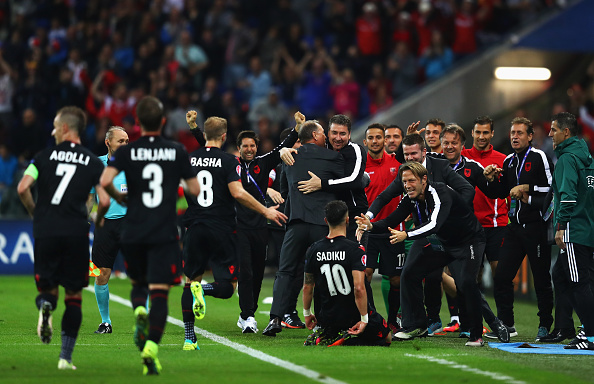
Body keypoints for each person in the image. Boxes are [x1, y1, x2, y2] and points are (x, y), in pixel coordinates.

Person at [99, 96, 200, 375]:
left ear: (138, 123)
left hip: (132, 230)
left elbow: (105, 181)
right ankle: (152, 348)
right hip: (164, 232)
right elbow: (195, 189)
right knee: (160, 293)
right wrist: (175, 194)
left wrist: (121, 197)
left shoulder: (125, 153)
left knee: (139, 285)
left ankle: (137, 312)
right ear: (164, 121)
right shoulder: (176, 150)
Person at [189, 110, 301, 331]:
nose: (249, 149)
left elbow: (282, 147)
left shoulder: (263, 162)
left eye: (252, 145)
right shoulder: (230, 163)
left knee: (258, 272)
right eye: (245, 146)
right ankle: (247, 316)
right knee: (246, 271)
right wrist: (194, 127)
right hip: (237, 226)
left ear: (256, 147)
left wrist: (297, 127)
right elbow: (207, 144)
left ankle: (248, 314)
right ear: (238, 148)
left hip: (260, 227)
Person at [17, 106, 110, 370]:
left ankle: (46, 306)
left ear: (66, 128)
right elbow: (103, 198)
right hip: (76, 232)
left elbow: (23, 187)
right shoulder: (93, 162)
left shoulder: (42, 157)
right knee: (73, 297)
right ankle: (65, 358)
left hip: (46, 231)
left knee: (48, 289)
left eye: (56, 126)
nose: (52, 130)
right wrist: (98, 217)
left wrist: (36, 213)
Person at [356, 162, 486, 346]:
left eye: (411, 180)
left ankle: (476, 334)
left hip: (469, 242)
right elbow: (393, 218)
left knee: (466, 282)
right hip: (444, 242)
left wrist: (406, 234)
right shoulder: (411, 197)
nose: (407, 185)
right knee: (409, 273)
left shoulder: (440, 192)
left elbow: (434, 224)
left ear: (424, 180)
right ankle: (416, 324)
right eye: (404, 181)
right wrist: (371, 226)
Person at [364, 133, 474, 335]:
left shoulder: (439, 167)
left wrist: (451, 217)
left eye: (414, 153)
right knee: (412, 273)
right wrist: (368, 219)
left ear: (424, 152)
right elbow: (385, 197)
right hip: (424, 232)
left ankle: (470, 324)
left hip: (454, 234)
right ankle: (419, 323)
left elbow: (467, 190)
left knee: (461, 280)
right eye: (406, 154)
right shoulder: (405, 173)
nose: (410, 158)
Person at [262, 120, 344, 336]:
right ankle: (325, 321)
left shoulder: (289, 158)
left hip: (296, 223)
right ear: (315, 135)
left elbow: (284, 191)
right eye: (324, 133)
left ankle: (275, 319)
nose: (327, 137)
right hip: (322, 225)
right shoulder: (334, 157)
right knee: (324, 272)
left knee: (285, 271)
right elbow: (344, 187)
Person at [483, 117, 554, 341]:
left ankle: (544, 325)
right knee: (502, 276)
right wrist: (491, 180)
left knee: (541, 278)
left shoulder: (539, 156)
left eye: (520, 133)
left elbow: (553, 188)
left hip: (536, 226)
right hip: (514, 227)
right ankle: (507, 324)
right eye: (512, 132)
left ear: (530, 136)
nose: (514, 136)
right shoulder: (509, 162)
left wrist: (527, 187)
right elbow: (499, 192)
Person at [302, 200, 391, 347]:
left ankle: (328, 333)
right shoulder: (355, 249)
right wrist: (363, 319)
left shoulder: (313, 249)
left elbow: (307, 286)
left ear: (325, 221)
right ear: (348, 220)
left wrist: (307, 314)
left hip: (326, 316)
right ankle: (349, 338)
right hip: (352, 316)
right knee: (387, 337)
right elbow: (359, 288)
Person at [547, 112, 594, 350]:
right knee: (562, 275)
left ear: (565, 132)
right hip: (588, 228)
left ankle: (590, 335)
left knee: (579, 282)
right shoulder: (588, 158)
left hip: (573, 230)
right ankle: (566, 327)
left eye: (553, 129)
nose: (549, 134)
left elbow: (567, 198)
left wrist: (561, 227)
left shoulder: (566, 159)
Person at [286, 114, 368, 244]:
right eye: (334, 133)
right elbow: (302, 145)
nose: (338, 138)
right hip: (331, 217)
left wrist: (322, 184)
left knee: (356, 258)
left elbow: (354, 180)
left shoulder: (355, 150)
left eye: (342, 134)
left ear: (350, 134)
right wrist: (284, 150)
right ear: (328, 133)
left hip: (354, 214)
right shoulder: (323, 149)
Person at [362, 123, 403, 331]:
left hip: (392, 230)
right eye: (371, 138)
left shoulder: (397, 162)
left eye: (379, 137)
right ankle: (370, 317)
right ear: (365, 141)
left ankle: (394, 321)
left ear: (385, 140)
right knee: (365, 274)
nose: (376, 141)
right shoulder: (359, 166)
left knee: (395, 279)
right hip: (368, 231)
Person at [89, 126, 129, 334]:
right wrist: (88, 215)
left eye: (126, 141)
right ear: (108, 142)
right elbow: (88, 196)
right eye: (120, 141)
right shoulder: (96, 165)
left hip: (131, 223)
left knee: (142, 271)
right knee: (102, 273)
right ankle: (106, 322)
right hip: (106, 224)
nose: (124, 145)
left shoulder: (134, 164)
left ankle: (146, 316)